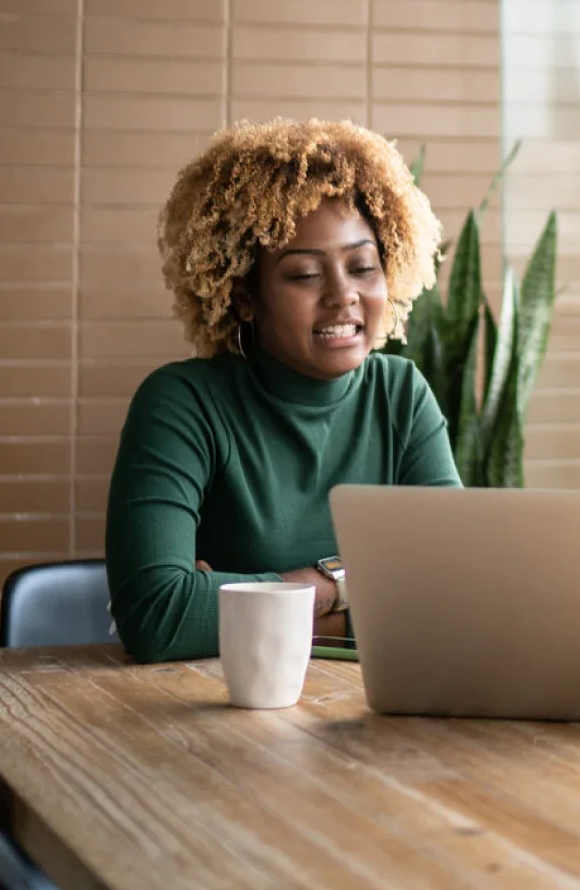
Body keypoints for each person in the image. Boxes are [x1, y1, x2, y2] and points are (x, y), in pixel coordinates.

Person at [106, 118, 461, 663]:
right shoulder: (182, 404)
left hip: (370, 715)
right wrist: (359, 594)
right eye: (304, 275)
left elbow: (456, 591)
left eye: (362, 266)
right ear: (244, 295)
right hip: (220, 718)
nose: (344, 296)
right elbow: (160, 616)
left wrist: (285, 595)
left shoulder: (401, 395)